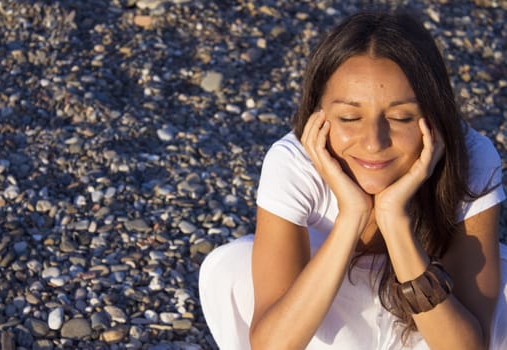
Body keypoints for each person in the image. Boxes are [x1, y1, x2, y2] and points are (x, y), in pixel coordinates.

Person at [199, 10, 507, 350]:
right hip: (333, 321)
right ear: (319, 115)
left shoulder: (471, 157)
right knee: (232, 267)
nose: (374, 142)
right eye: (349, 117)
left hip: (426, 326)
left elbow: (467, 347)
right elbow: (273, 345)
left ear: (434, 114)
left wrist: (395, 221)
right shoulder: (294, 162)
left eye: (401, 117)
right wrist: (351, 217)